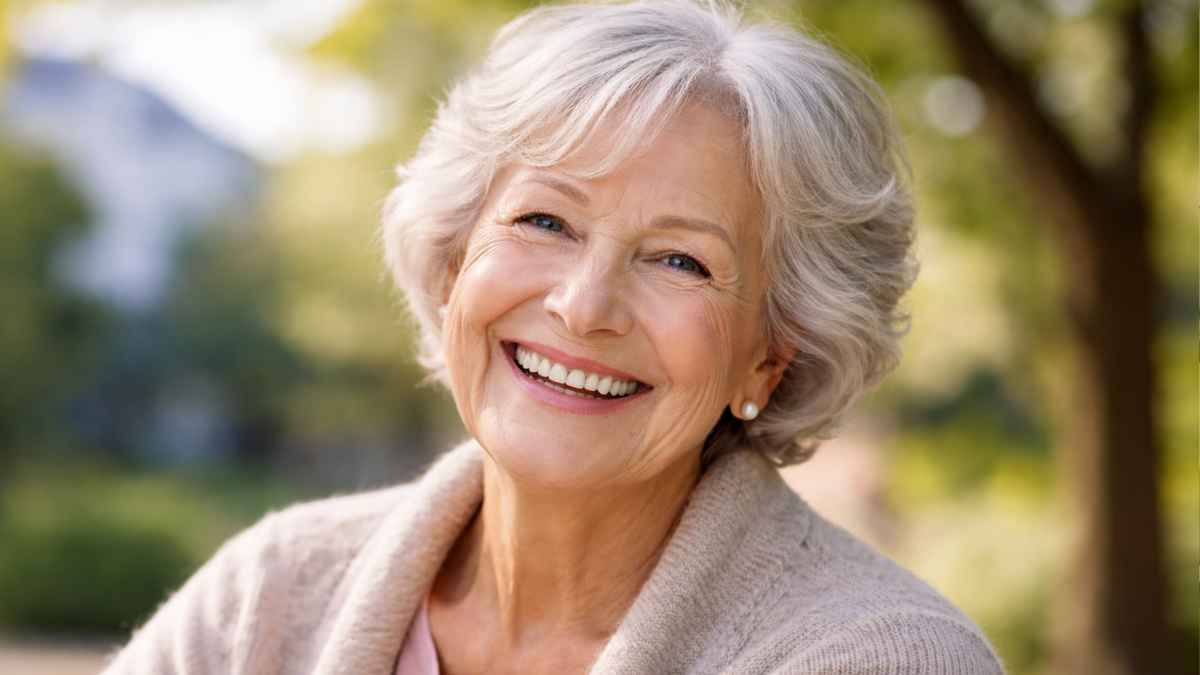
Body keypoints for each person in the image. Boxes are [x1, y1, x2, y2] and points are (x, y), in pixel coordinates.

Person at [102, 1, 1006, 673]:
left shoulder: (878, 658)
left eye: (681, 262)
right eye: (544, 221)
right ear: (457, 263)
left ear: (773, 354)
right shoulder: (265, 602)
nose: (583, 305)